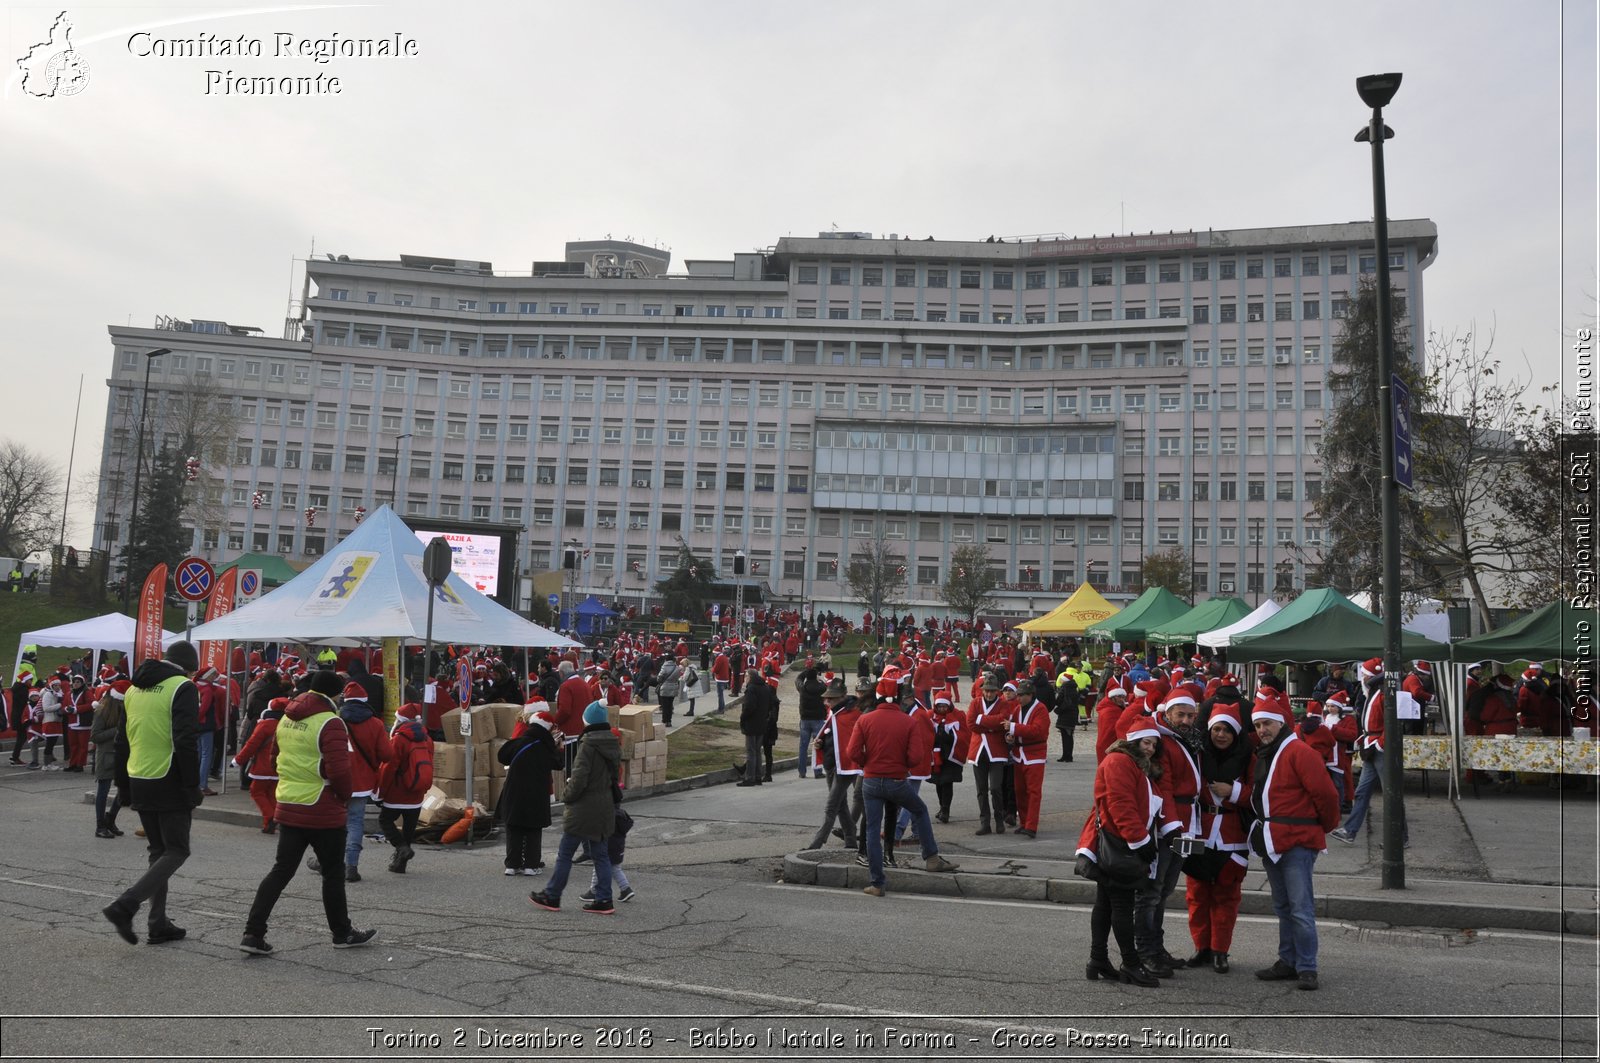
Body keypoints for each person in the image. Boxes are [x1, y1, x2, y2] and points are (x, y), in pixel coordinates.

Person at [239, 669, 377, 955]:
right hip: (322, 805)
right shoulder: (330, 722)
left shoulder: (287, 717)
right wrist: (344, 795)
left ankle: (253, 933)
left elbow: (275, 756)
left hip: (290, 802)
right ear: (334, 694)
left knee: (281, 871)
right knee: (333, 873)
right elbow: (339, 769)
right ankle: (342, 932)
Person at [102, 641, 203, 946]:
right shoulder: (183, 687)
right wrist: (191, 785)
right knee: (177, 850)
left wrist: (123, 785)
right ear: (189, 668)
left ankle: (158, 923)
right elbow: (185, 739)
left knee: (158, 852)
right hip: (169, 776)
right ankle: (126, 905)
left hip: (139, 774)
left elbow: (123, 740)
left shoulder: (134, 689)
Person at [1248, 699, 1341, 991]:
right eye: (1258, 725)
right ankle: (1288, 961)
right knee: (1283, 906)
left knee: (1300, 908)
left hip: (1297, 840)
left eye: (1267, 724)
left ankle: (1307, 967)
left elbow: (1326, 796)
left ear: (1281, 723)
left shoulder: (1300, 752)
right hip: (1274, 840)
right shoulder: (1269, 753)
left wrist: (1320, 828)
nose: (1262, 730)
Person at [849, 674, 959, 897]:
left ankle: (877, 883)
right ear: (898, 697)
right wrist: (902, 765)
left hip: (871, 780)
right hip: (897, 780)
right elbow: (916, 757)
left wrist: (867, 763)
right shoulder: (908, 721)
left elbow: (852, 752)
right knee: (919, 810)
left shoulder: (865, 720)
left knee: (871, 828)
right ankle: (931, 857)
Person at [1078, 713, 1163, 988]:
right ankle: (1131, 963)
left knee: (1105, 903)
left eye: (1153, 744)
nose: (1150, 748)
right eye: (1146, 743)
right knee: (1122, 905)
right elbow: (1121, 805)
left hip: (1111, 842)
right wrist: (1140, 842)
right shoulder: (1120, 762)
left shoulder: (1129, 763)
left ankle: (1098, 960)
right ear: (1133, 741)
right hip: (1119, 844)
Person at [530, 701, 623, 915]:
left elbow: (580, 778)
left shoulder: (588, 744)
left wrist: (567, 795)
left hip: (584, 808)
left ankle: (552, 895)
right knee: (600, 855)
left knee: (565, 853)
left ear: (587, 721)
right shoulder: (612, 743)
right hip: (604, 806)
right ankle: (604, 898)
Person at [1135, 691, 1203, 977]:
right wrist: (1172, 827)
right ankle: (1145, 952)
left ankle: (1157, 948)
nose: (1186, 720)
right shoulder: (1163, 742)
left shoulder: (1187, 739)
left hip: (1187, 823)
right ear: (1168, 713)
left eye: (1190, 715)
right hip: (1169, 824)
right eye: (1180, 715)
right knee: (1151, 893)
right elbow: (1164, 786)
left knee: (1163, 892)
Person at [1184, 700, 1253, 974]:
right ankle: (1202, 948)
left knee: (1226, 897)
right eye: (1216, 729)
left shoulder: (1250, 759)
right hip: (1200, 833)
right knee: (1197, 895)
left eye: (1227, 730)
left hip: (1233, 836)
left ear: (1236, 734)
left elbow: (1261, 796)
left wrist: (1234, 792)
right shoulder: (1198, 756)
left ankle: (1220, 951)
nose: (1221, 735)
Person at [311, 682, 392, 883]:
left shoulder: (333, 720)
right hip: (363, 782)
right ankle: (351, 866)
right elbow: (387, 754)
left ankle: (326, 861)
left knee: (333, 823)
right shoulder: (375, 724)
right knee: (355, 822)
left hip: (336, 778)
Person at [1329, 658, 1407, 847]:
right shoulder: (1376, 693)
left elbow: (1393, 723)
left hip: (1378, 748)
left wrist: (1380, 743)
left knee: (1391, 793)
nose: (1361, 677)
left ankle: (1399, 837)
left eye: (1364, 674)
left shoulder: (1383, 694)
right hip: (1372, 745)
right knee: (1362, 792)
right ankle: (1350, 830)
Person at [498, 705, 558, 876]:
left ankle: (512, 864)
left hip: (514, 791)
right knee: (533, 830)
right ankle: (531, 865)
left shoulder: (519, 742)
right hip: (536, 793)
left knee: (514, 828)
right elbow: (559, 763)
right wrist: (557, 746)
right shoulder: (547, 747)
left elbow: (502, 756)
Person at [807, 677, 863, 850]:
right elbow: (833, 736)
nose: (827, 701)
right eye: (826, 698)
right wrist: (821, 743)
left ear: (843, 696)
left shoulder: (854, 713)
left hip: (846, 766)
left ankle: (816, 844)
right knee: (841, 806)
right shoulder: (834, 712)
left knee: (831, 806)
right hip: (832, 764)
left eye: (831, 698)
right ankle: (851, 841)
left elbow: (852, 740)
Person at [379, 703, 434, 874]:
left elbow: (389, 768)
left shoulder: (398, 739)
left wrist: (381, 791)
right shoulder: (427, 739)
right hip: (416, 793)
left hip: (397, 791)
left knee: (385, 821)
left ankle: (401, 848)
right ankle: (400, 864)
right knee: (409, 829)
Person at [966, 673, 1015, 835]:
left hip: (996, 752)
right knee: (981, 789)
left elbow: (1004, 720)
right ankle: (985, 822)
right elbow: (971, 724)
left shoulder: (1003, 704)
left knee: (995, 788)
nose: (988, 694)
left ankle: (999, 819)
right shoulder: (975, 702)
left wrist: (982, 719)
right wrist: (992, 726)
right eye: (986, 690)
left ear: (997, 691)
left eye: (992, 691)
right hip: (978, 751)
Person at [1008, 677, 1051, 839]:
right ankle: (1024, 822)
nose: (1018, 698)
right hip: (1019, 754)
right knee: (1019, 790)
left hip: (1034, 755)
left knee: (1033, 792)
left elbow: (1038, 731)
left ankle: (1031, 826)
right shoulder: (1018, 709)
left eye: (1021, 695)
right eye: (1017, 695)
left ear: (1030, 695)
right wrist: (1009, 736)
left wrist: (1013, 728)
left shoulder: (1041, 709)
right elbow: (1013, 729)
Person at [233, 697, 285, 833]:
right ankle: (270, 823)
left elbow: (251, 744)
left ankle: (270, 817)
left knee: (256, 791)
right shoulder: (287, 724)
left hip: (263, 765)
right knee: (272, 794)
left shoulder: (265, 725)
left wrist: (238, 760)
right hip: (280, 766)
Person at [90, 679, 130, 838]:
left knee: (124, 789)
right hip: (106, 756)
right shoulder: (102, 710)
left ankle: (110, 818)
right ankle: (100, 826)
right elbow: (95, 736)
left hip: (123, 754)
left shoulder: (125, 709)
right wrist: (118, 729)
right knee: (103, 791)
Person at [580, 800, 637, 905]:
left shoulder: (609, 816)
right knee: (615, 868)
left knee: (599, 866)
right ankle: (625, 889)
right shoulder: (621, 814)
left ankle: (594, 891)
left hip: (608, 847)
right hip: (618, 847)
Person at [736, 662, 777, 786]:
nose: (745, 679)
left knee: (751, 751)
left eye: (746, 676)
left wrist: (743, 717)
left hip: (752, 723)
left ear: (750, 677)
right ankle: (758, 776)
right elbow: (770, 705)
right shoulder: (765, 687)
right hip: (762, 723)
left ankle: (750, 778)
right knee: (758, 751)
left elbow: (749, 707)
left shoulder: (752, 688)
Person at [795, 660, 828, 779]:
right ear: (816, 677)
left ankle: (802, 771)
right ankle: (817, 770)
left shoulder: (802, 688)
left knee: (803, 746)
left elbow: (798, 679)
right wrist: (820, 679)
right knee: (818, 745)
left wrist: (807, 672)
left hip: (804, 719)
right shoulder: (821, 688)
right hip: (818, 719)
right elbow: (826, 686)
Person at [655, 654, 680, 727]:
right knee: (670, 705)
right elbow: (678, 676)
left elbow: (659, 678)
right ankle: (669, 720)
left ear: (666, 659)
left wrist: (660, 680)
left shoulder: (664, 667)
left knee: (665, 705)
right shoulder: (677, 667)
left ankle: (664, 720)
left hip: (665, 687)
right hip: (674, 687)